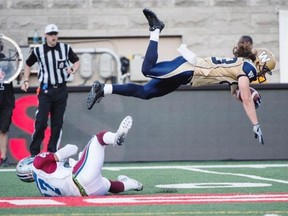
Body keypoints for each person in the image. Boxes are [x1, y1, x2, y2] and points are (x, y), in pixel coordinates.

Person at [87, 8, 276, 145]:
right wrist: (255, 124)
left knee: (146, 92)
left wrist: (251, 93)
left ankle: (102, 89)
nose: (263, 74)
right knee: (147, 69)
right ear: (261, 63)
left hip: (186, 75)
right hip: (188, 68)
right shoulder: (249, 69)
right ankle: (156, 29)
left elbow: (237, 93)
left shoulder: (244, 69)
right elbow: (244, 98)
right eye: (265, 70)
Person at [16, 116, 143, 196]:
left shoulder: (43, 191)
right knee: (98, 139)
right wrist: (65, 158)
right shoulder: (38, 162)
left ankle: (132, 184)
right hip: (80, 178)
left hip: (87, 193)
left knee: (107, 184)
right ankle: (116, 138)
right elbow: (72, 149)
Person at [21, 24, 80, 156]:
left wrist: (73, 69)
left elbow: (76, 61)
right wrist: (25, 80)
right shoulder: (39, 51)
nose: (53, 37)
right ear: (46, 35)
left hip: (61, 89)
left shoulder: (65, 48)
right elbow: (27, 64)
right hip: (46, 90)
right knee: (41, 122)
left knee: (57, 124)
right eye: (51, 34)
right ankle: (34, 153)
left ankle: (51, 152)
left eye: (55, 34)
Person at [0, 39, 15, 167]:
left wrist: (16, 65)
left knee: (3, 129)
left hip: (6, 99)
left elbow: (17, 77)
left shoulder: (7, 62)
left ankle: (3, 157)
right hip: (6, 100)